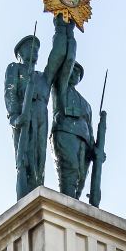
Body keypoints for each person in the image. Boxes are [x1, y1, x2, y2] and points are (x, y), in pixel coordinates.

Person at [4, 17, 76, 199]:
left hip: (40, 114)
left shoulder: (43, 77)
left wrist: (63, 29)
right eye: (29, 47)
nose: (34, 50)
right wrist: (14, 116)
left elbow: (58, 55)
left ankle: (36, 190)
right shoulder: (15, 69)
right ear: (20, 52)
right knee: (24, 160)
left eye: (36, 48)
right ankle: (24, 198)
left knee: (39, 160)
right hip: (24, 114)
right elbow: (10, 93)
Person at [50, 61, 96, 199]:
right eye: (72, 70)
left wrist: (95, 149)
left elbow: (91, 128)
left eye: (78, 73)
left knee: (81, 176)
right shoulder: (60, 87)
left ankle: (74, 205)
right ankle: (67, 205)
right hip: (65, 131)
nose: (75, 73)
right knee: (70, 168)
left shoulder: (86, 105)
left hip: (85, 140)